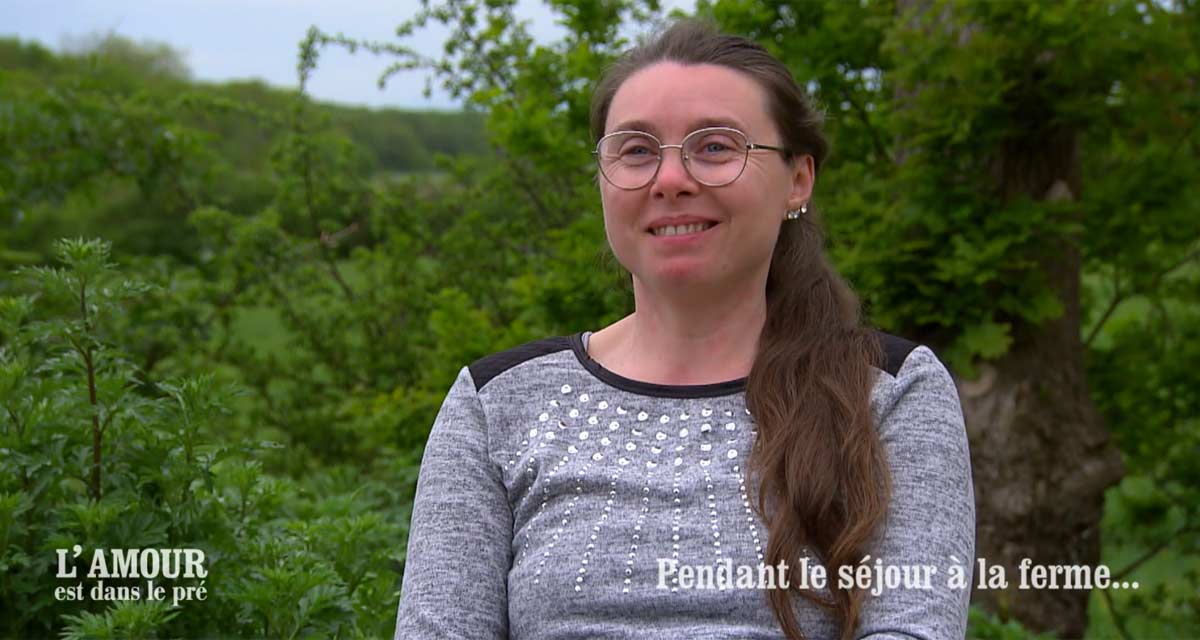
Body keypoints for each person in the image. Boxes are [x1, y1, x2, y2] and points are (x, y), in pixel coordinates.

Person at [394, 19, 974, 640]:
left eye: (716, 147)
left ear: (798, 179)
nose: (670, 179)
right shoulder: (497, 403)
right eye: (637, 150)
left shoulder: (888, 392)